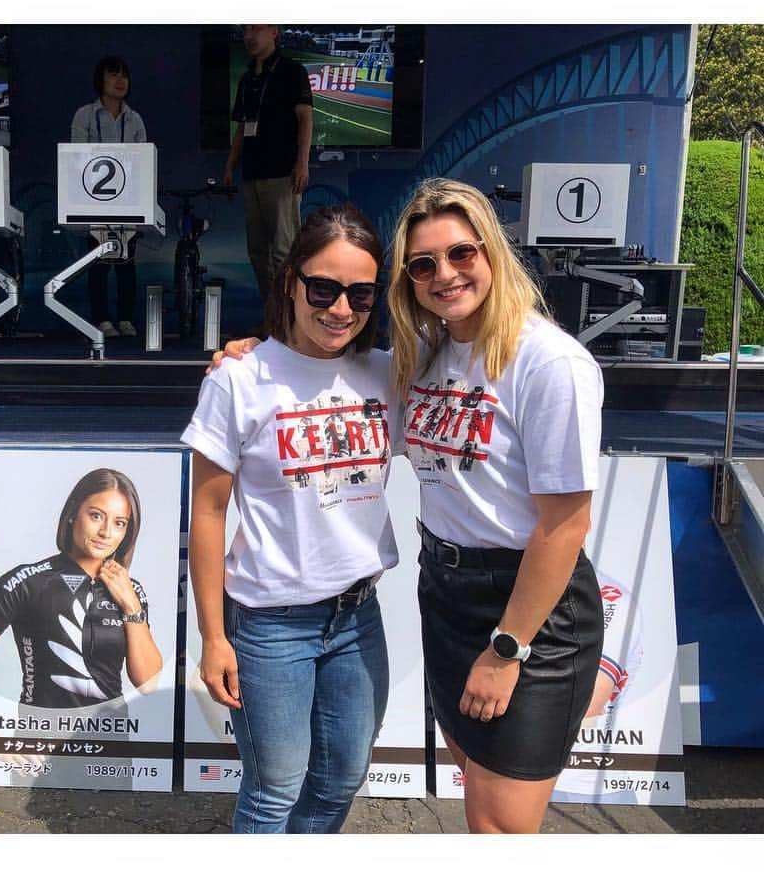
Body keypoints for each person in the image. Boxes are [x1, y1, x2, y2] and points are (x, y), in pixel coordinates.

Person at [216, 178, 606, 833]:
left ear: (492, 254)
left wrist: (507, 649)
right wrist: (257, 351)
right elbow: (323, 379)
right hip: (447, 596)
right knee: (476, 795)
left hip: (526, 608)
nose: (444, 274)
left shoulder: (548, 363)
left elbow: (565, 524)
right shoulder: (422, 359)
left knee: (501, 828)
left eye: (462, 254)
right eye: (423, 264)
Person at [183, 204, 397, 833]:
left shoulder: (386, 374)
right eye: (323, 288)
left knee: (340, 781)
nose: (340, 309)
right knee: (275, 791)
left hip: (359, 616)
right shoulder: (239, 381)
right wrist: (214, 636)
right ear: (291, 283)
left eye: (359, 293)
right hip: (270, 625)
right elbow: (208, 513)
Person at [0, 468, 162, 709]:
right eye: (95, 516)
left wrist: (131, 606)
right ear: (73, 513)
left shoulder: (131, 591)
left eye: (119, 523)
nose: (106, 532)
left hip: (111, 740)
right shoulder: (28, 581)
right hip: (38, 740)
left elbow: (148, 684)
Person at [223, 25, 313, 309]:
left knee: (284, 252)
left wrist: (302, 163)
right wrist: (229, 168)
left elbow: (305, 118)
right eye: (246, 29)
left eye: (256, 28)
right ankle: (273, 318)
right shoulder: (248, 77)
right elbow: (241, 129)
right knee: (258, 253)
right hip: (252, 173)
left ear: (273, 31)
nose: (250, 35)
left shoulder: (291, 71)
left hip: (282, 173)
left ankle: (291, 320)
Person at [70, 55, 147, 338]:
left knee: (127, 261)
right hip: (94, 199)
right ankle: (101, 319)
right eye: (113, 75)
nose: (120, 81)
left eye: (124, 75)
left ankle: (126, 318)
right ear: (100, 81)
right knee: (99, 261)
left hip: (128, 201)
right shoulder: (85, 115)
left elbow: (142, 162)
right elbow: (76, 157)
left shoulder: (135, 118)